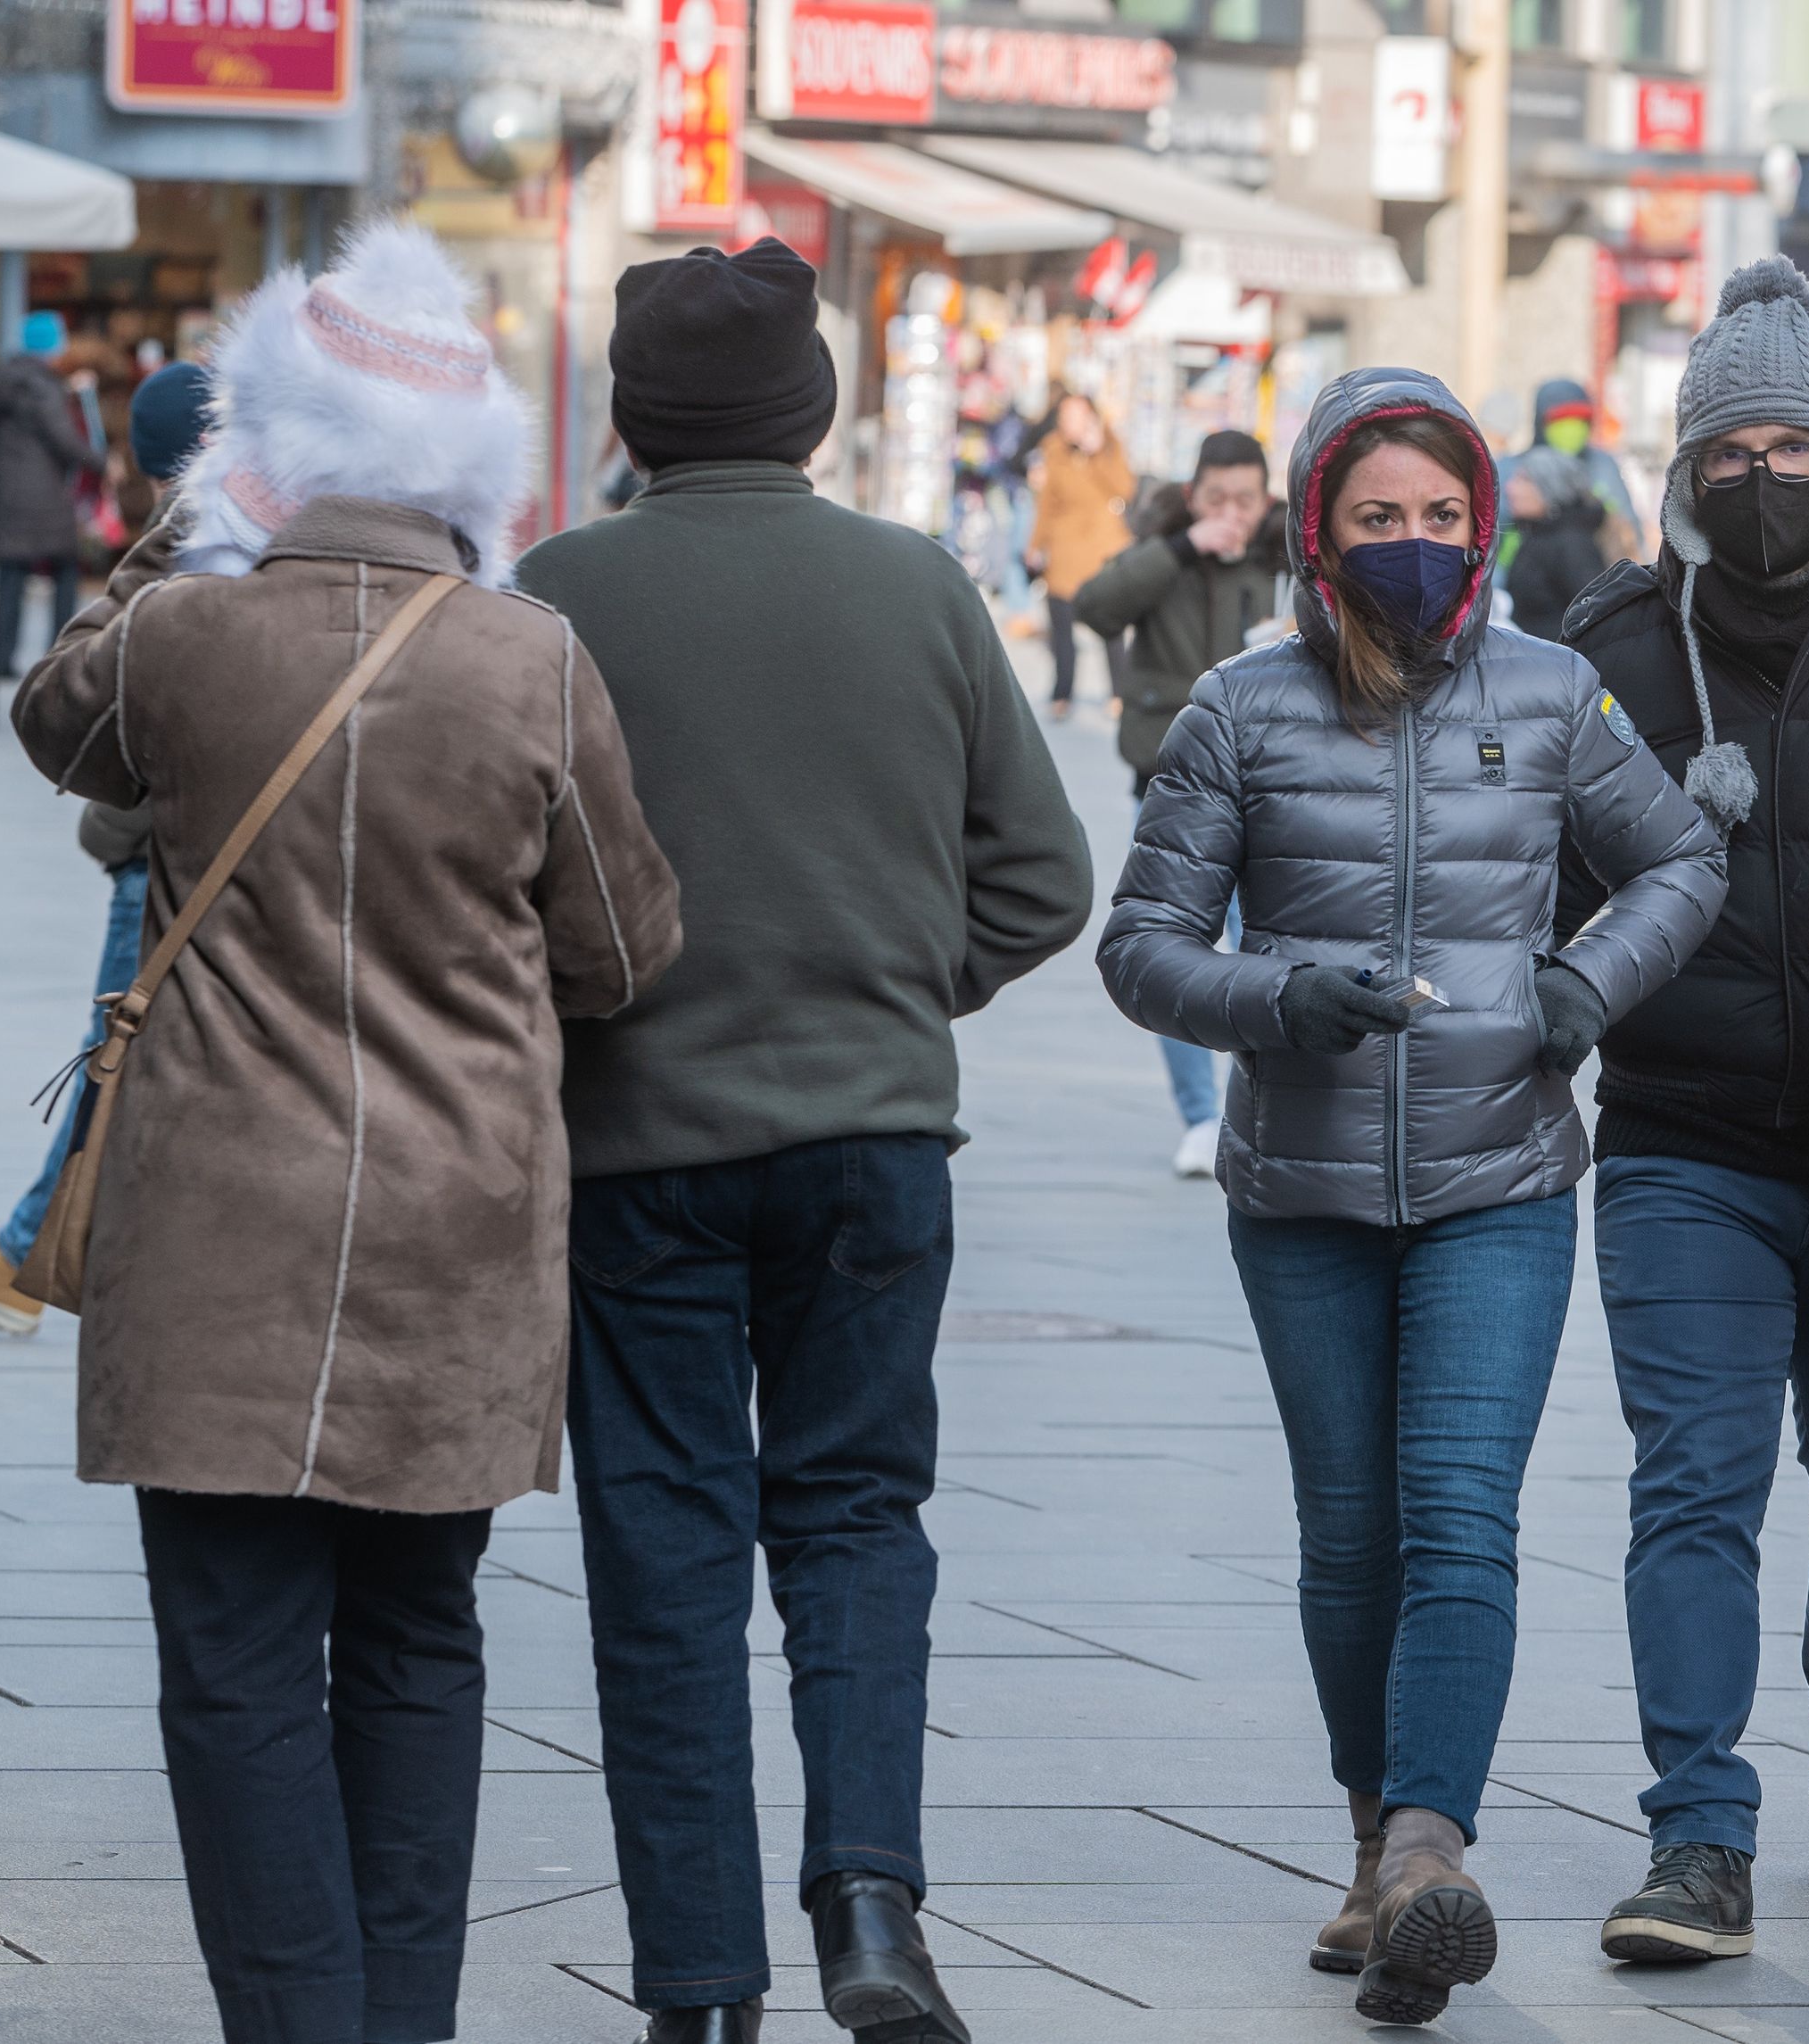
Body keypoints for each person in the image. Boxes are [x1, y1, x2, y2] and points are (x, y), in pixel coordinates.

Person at [11, 221, 684, 2044]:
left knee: (233, 1662)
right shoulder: (529, 658)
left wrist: (192, 515)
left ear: (273, 443)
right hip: (451, 1241)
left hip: (213, 1232)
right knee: (417, 1642)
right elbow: (622, 951)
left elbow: (51, 718)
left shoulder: (180, 638)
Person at [516, 237, 1094, 2044]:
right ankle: (868, 1900)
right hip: (871, 1139)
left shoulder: (554, 596)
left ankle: (696, 1979)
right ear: (817, 409)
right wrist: (900, 989)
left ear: (626, 415)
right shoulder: (920, 587)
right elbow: (1046, 878)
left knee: (663, 1546)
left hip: (635, 1149)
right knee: (855, 1516)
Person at [1095, 368, 1726, 2027]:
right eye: (1380, 518)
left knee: (1458, 1517)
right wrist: (1278, 996)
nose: (1414, 544)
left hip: (1499, 1174)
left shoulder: (1556, 691)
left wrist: (1588, 986)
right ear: (1319, 529)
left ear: (1486, 526)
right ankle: (1375, 1848)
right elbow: (1140, 947)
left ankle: (1434, 1854)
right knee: (1349, 1533)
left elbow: (1683, 860)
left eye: (1443, 518)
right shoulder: (1239, 708)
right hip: (1296, 1187)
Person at [1548, 257, 1809, 1965]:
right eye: (1731, 449)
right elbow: (1541, 879)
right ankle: (1699, 1831)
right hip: (1682, 1142)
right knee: (1696, 1485)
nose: (1764, 476)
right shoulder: (1612, 646)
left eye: (1798, 446)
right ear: (1683, 468)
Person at [0, 363, 215, 1341]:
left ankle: (31, 1252)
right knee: (124, 1054)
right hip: (181, 846)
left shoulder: (196, 544)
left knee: (117, 1054)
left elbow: (77, 697)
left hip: (164, 850)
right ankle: (31, 1242)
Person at [1072, 428, 1288, 1177]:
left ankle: (1257, 1103)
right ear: (1195, 494)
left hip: (1274, 786)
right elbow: (1094, 606)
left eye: (1246, 498)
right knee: (1176, 950)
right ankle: (1199, 1115)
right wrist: (1183, 547)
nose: (1233, 511)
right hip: (1168, 782)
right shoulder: (1160, 549)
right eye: (1217, 497)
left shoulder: (1286, 554)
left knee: (1269, 944)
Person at [0, 309, 103, 681]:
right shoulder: (42, 387)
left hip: (4, 492)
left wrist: (65, 388)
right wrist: (101, 463)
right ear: (52, 344)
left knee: (11, 575)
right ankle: (60, 654)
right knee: (65, 568)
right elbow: (63, 439)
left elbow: (29, 413)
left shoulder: (7, 380)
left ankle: (1, 662)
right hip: (42, 495)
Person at [1027, 390, 1136, 717]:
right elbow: (1046, 503)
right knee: (1061, 626)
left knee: (1111, 625)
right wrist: (1035, 545)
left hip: (1104, 546)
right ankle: (1063, 693)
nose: (1070, 424)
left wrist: (1097, 451)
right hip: (1064, 547)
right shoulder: (1052, 449)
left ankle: (1118, 692)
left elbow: (1125, 489)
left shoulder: (1110, 445)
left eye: (1077, 416)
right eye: (1065, 417)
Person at [1499, 377, 1632, 629]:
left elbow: (1593, 611)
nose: (1511, 489)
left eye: (1579, 420)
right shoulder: (1536, 530)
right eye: (1560, 419)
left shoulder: (1570, 543)